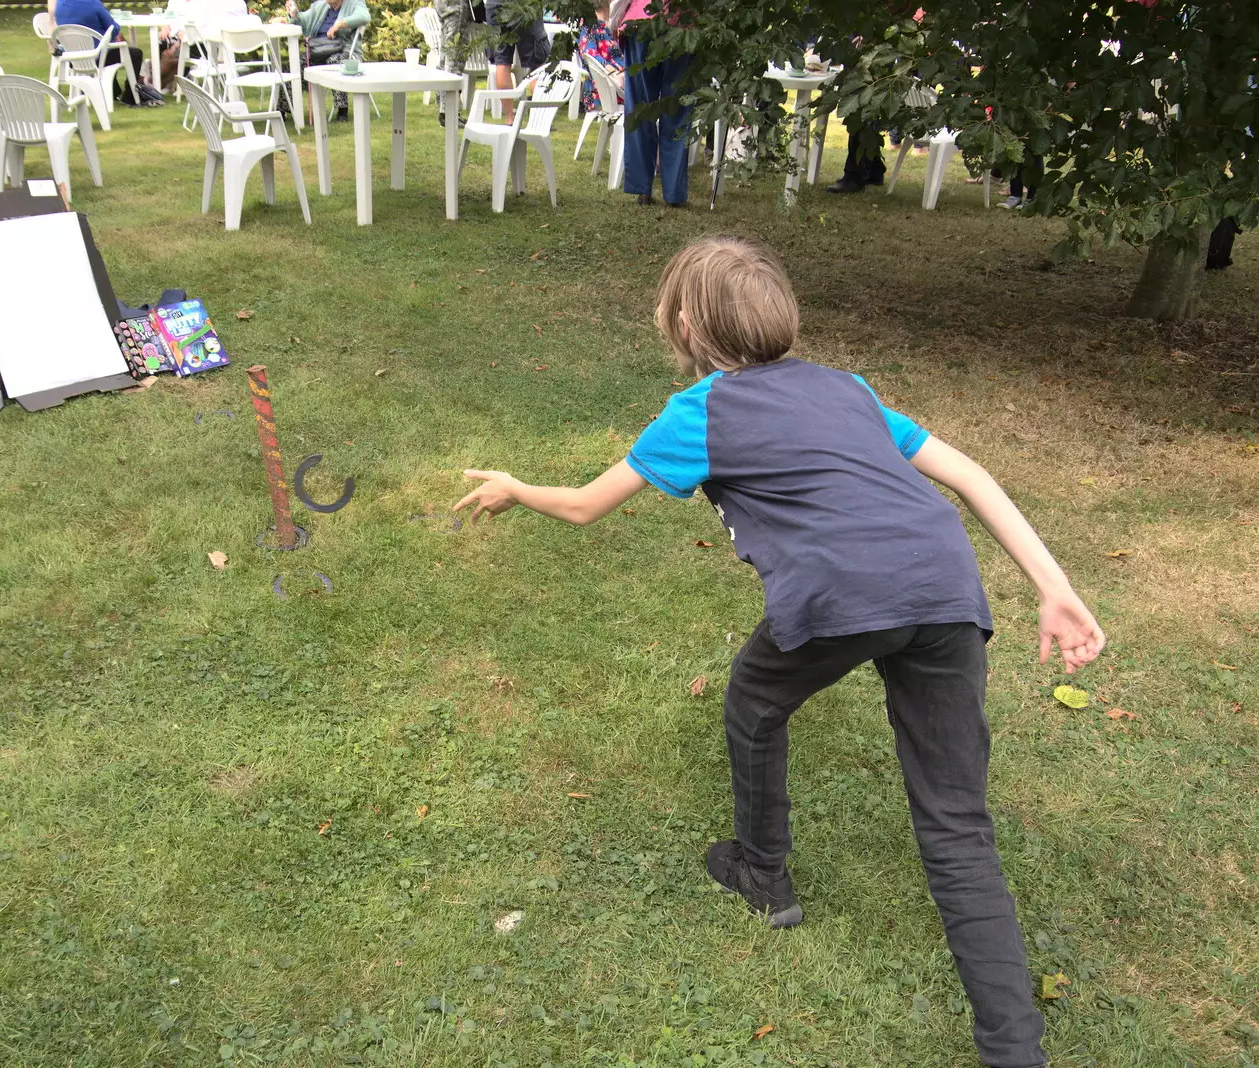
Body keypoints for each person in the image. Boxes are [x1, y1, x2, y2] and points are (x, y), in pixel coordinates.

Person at [452, 234, 1105, 1068]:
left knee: (755, 703)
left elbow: (584, 506)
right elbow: (971, 476)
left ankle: (764, 873)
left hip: (841, 594)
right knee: (956, 825)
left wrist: (514, 487)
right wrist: (1051, 585)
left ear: (684, 322)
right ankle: (1016, 1053)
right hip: (943, 585)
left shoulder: (699, 413)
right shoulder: (850, 389)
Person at [609, 0, 689, 205]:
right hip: (683, 21)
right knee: (678, 110)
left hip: (640, 18)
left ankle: (642, 188)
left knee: (639, 106)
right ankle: (674, 194)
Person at [52, 0, 156, 105]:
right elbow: (113, 28)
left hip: (73, 58)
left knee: (111, 51)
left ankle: (113, 91)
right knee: (135, 54)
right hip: (97, 57)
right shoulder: (92, 3)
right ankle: (130, 97)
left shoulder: (59, 4)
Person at [286, 0, 370, 121]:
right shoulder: (320, 6)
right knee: (295, 64)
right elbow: (304, 20)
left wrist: (339, 24)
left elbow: (364, 16)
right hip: (319, 52)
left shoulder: (354, 3)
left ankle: (342, 109)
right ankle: (283, 109)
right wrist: (294, 14)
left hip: (345, 52)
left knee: (335, 61)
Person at [484, 0, 547, 122]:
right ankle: (539, 120)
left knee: (501, 63)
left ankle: (509, 119)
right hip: (525, 5)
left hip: (495, 5)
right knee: (537, 63)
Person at [432, 0, 479, 127]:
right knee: (455, 56)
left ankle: (444, 108)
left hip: (442, 4)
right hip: (455, 5)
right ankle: (449, 113)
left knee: (446, 53)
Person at [576, 2, 623, 114]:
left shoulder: (616, 20)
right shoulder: (589, 22)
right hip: (603, 87)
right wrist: (611, 71)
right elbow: (589, 54)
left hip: (622, 80)